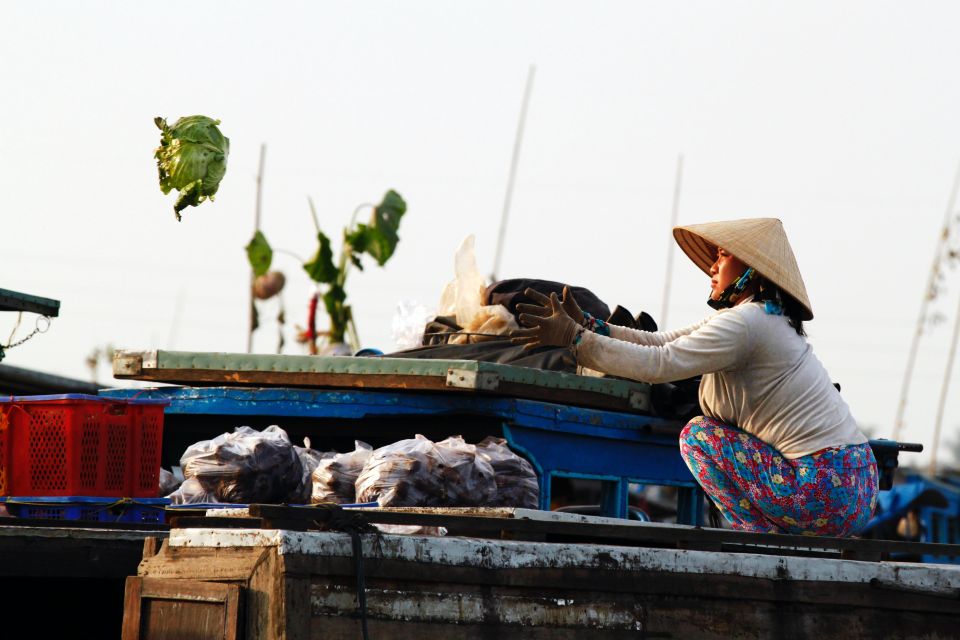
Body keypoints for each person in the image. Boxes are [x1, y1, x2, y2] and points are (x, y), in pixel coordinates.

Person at [511, 217, 878, 536]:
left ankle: (761, 539)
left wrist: (575, 340)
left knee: (698, 436)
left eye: (723, 256)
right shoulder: (762, 316)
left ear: (751, 269)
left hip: (821, 490)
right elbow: (661, 341)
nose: (713, 268)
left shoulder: (747, 323)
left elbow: (660, 364)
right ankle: (769, 537)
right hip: (854, 485)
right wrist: (591, 327)